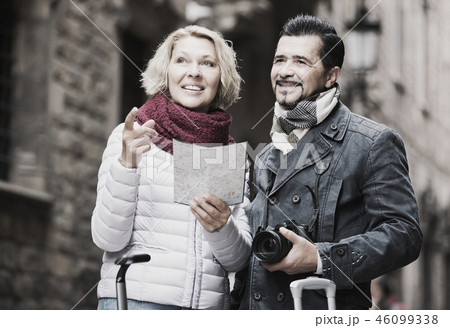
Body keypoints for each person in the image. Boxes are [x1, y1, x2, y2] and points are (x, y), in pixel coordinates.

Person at [238, 14, 422, 310]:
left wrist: (321, 258)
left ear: (330, 75)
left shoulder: (372, 142)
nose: (285, 71)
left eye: (300, 62)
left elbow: (405, 235)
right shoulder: (267, 154)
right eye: (279, 60)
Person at [91, 25, 252, 310]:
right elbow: (107, 238)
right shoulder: (133, 136)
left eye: (208, 63)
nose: (194, 72)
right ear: (166, 71)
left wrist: (223, 228)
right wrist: (126, 166)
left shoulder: (227, 153)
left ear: (221, 77)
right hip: (138, 303)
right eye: (182, 60)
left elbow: (237, 261)